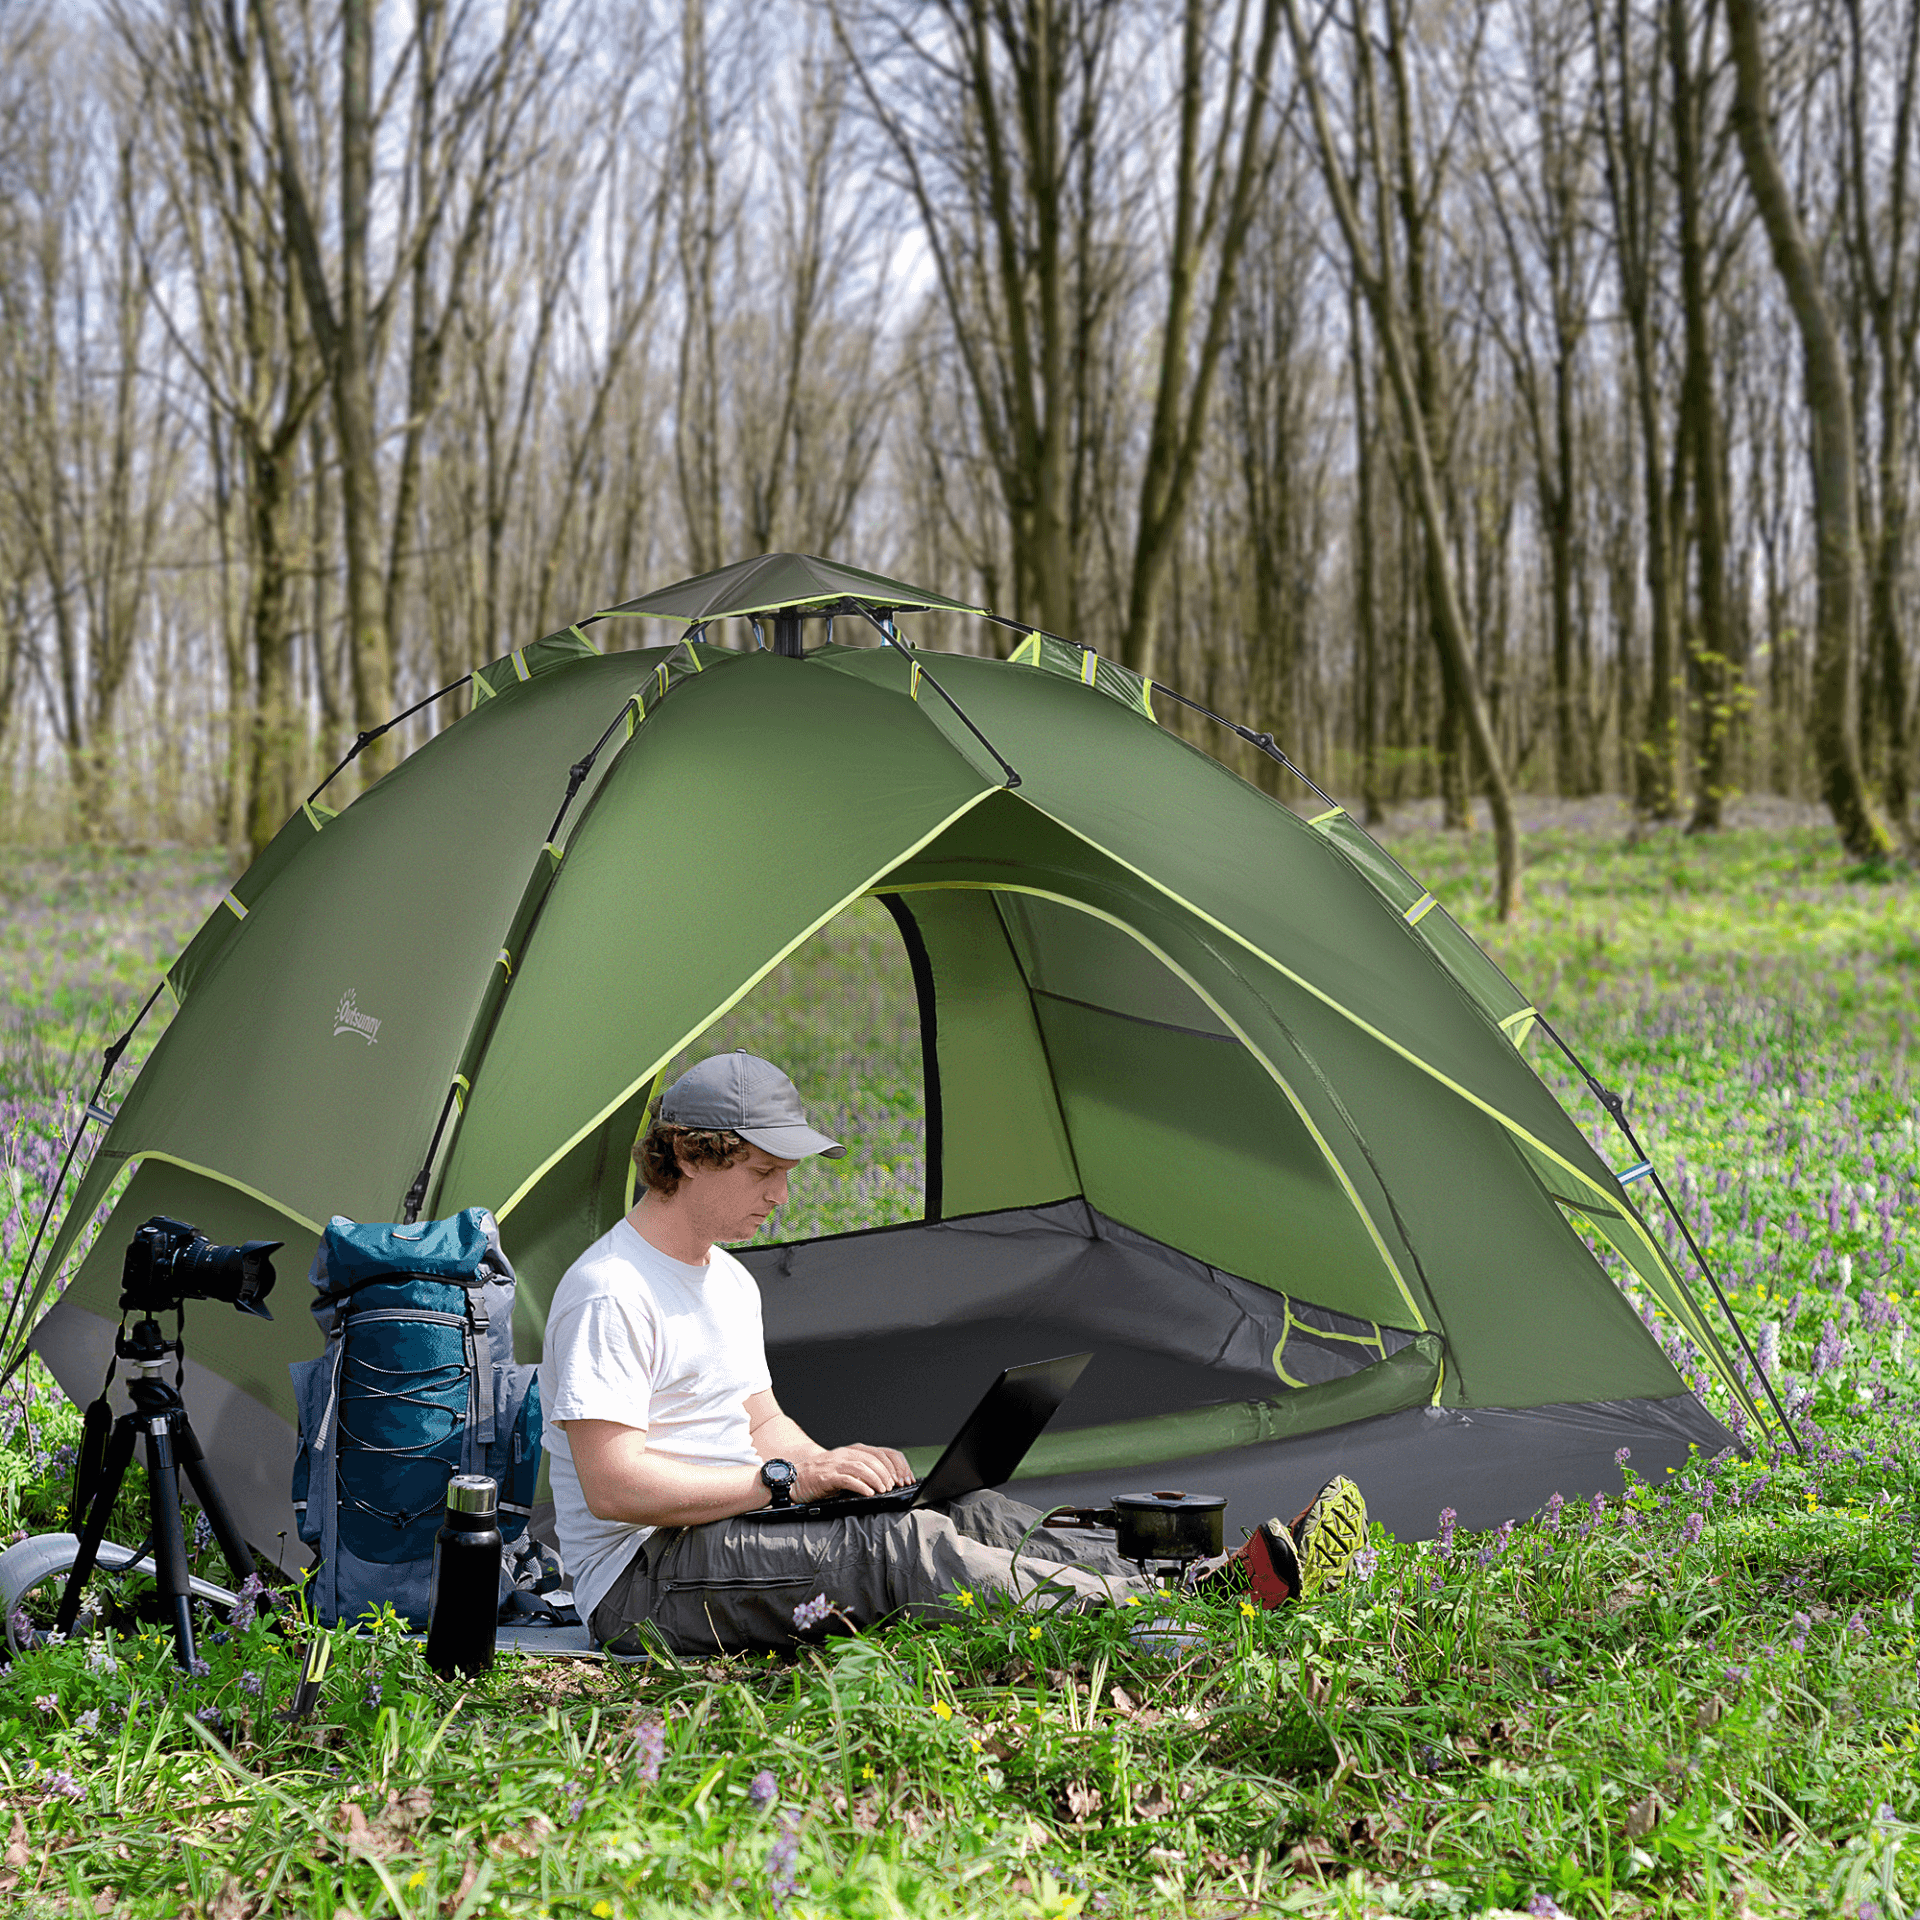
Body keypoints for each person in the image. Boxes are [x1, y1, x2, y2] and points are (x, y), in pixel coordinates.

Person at [538, 1050, 1368, 1655]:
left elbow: (761, 1422)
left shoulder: (725, 1280)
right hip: (643, 1580)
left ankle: (1198, 1580)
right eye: (762, 1171)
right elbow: (616, 1487)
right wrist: (787, 1483)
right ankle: (1170, 1628)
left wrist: (834, 1470)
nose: (782, 1196)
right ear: (687, 1155)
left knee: (956, 1511)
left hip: (738, 1520)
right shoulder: (613, 1288)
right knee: (897, 1549)